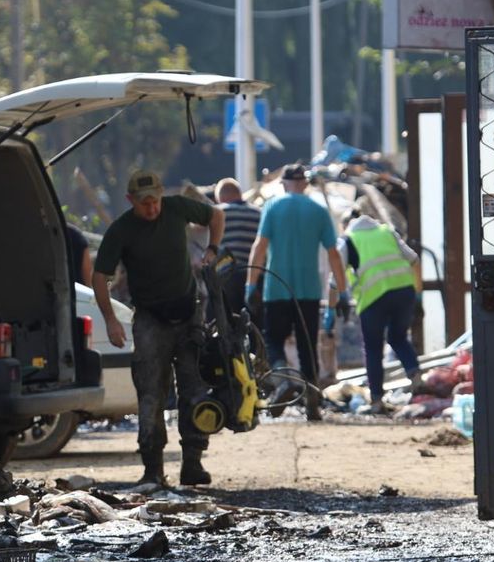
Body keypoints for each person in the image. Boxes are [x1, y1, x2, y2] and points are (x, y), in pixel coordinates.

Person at [92, 170, 224, 486]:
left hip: (188, 313)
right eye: (143, 204)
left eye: (154, 201)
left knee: (194, 390)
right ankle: (153, 469)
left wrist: (213, 249)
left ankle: (192, 463)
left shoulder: (177, 207)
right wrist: (110, 319)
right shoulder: (121, 230)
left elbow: (215, 215)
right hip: (151, 320)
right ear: (130, 201)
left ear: (162, 194)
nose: (151, 209)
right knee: (151, 394)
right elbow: (101, 277)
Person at [244, 163, 349, 420]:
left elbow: (260, 246)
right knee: (307, 347)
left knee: (273, 342)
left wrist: (250, 283)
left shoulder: (272, 207)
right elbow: (334, 254)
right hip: (309, 290)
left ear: (283, 183)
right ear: (305, 183)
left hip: (276, 287)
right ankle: (312, 402)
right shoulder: (319, 211)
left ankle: (285, 378)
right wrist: (342, 291)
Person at [327, 210, 422, 415]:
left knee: (373, 348)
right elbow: (414, 260)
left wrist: (330, 310)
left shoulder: (347, 240)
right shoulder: (386, 232)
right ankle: (416, 379)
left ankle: (377, 401)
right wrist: (419, 294)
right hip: (404, 291)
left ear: (346, 225)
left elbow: (334, 281)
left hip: (374, 298)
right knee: (398, 338)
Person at [213, 177, 261, 316]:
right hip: (254, 276)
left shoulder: (217, 212)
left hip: (226, 275)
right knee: (254, 324)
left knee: (227, 322)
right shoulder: (259, 213)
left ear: (221, 198)